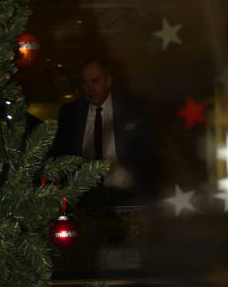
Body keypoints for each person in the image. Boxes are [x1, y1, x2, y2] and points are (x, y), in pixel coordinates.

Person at [52, 57, 159, 200]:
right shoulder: (70, 113)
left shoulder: (132, 108)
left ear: (108, 81)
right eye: (85, 83)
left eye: (95, 81)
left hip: (126, 194)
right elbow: (59, 157)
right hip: (83, 197)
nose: (90, 89)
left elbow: (149, 154)